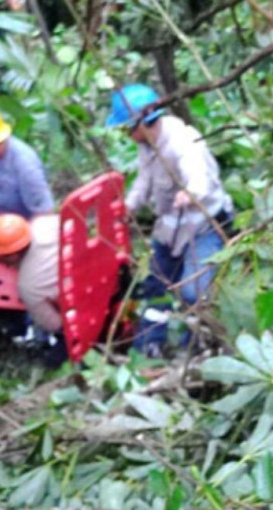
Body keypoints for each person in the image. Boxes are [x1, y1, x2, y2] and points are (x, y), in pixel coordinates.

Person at [107, 83, 234, 356]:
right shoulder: (147, 145)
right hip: (170, 226)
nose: (127, 134)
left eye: (127, 128)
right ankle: (149, 349)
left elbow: (200, 175)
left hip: (204, 225)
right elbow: (144, 179)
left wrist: (191, 192)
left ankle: (197, 348)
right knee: (156, 287)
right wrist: (129, 205)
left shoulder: (182, 141)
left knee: (193, 291)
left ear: (141, 122)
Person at [0, 213, 67, 367]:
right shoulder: (45, 223)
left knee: (51, 361)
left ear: (12, 256)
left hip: (85, 309)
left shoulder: (29, 286)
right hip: (105, 272)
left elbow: (55, 324)